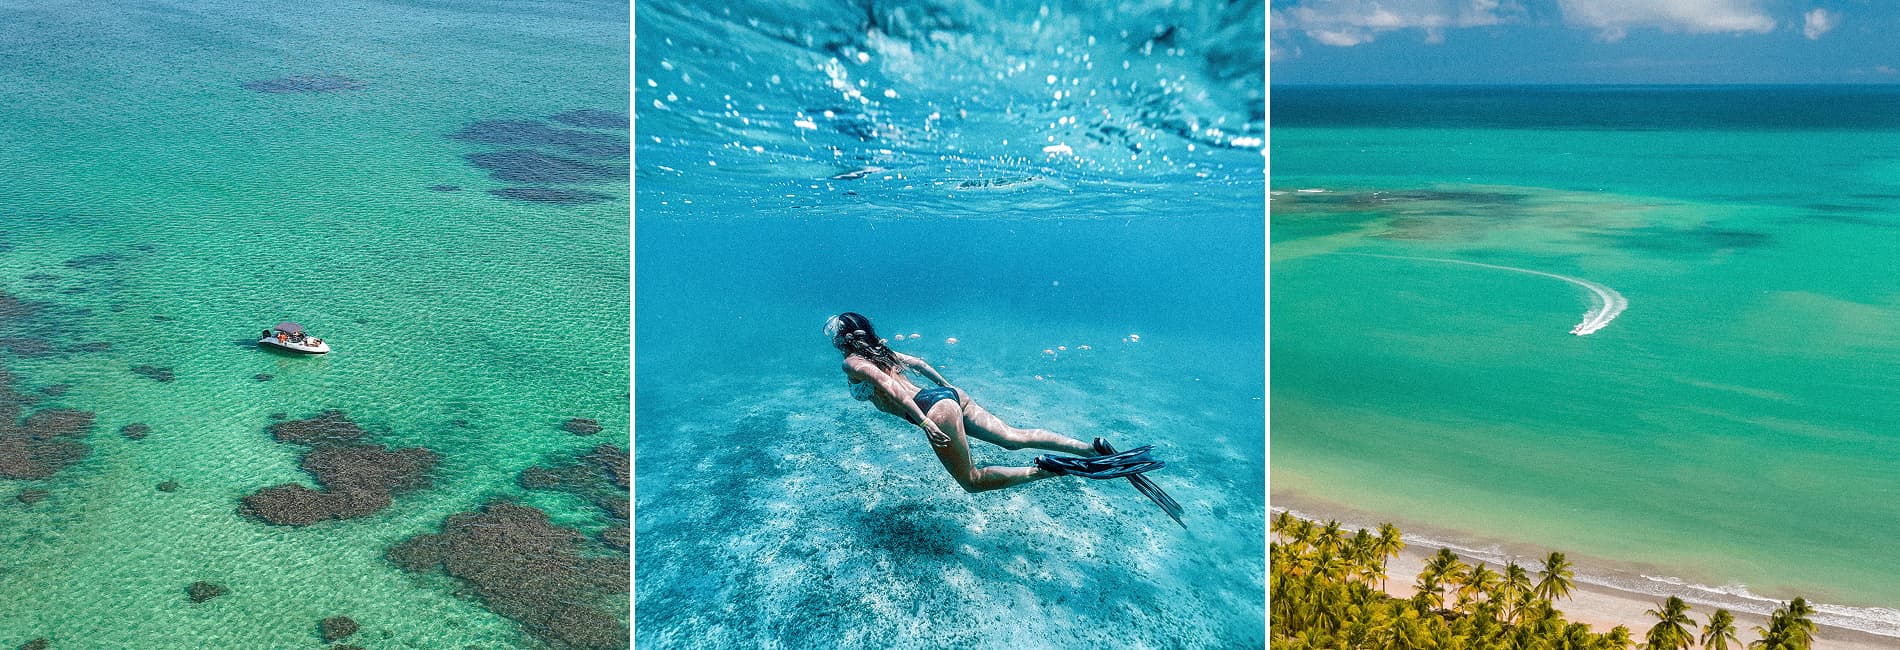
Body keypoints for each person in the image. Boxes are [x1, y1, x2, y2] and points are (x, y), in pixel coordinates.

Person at [826, 313, 1182, 523]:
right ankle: (1091, 448)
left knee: (972, 481)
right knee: (1013, 437)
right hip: (948, 399)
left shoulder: (853, 363)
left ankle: (1051, 469)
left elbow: (891, 388)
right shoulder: (882, 351)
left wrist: (925, 422)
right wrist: (948, 389)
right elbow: (918, 364)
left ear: (843, 339)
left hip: (932, 410)